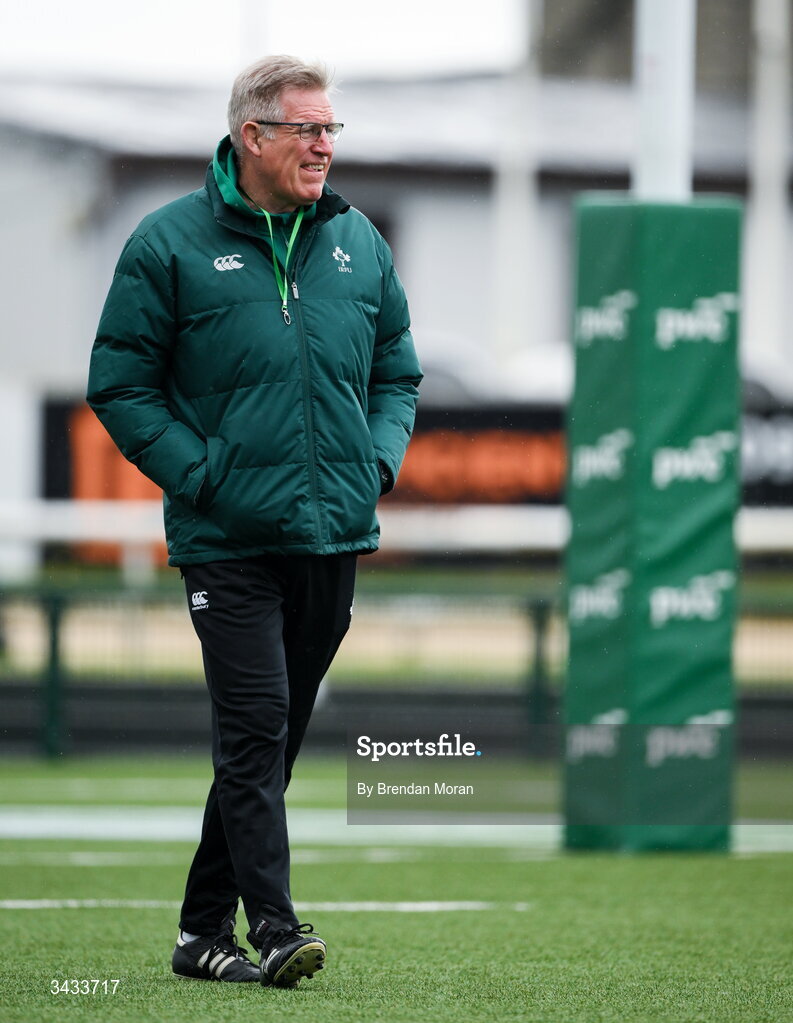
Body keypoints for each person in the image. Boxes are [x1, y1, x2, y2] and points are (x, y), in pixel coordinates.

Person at [87, 55, 421, 988]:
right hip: (226, 539)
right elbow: (117, 383)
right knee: (256, 725)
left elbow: (397, 365)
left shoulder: (358, 239)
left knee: (267, 744)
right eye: (308, 129)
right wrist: (204, 476)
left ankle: (200, 932)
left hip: (332, 533)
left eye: (331, 130)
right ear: (253, 137)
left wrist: (377, 458)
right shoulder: (168, 242)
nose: (324, 146)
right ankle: (274, 926)